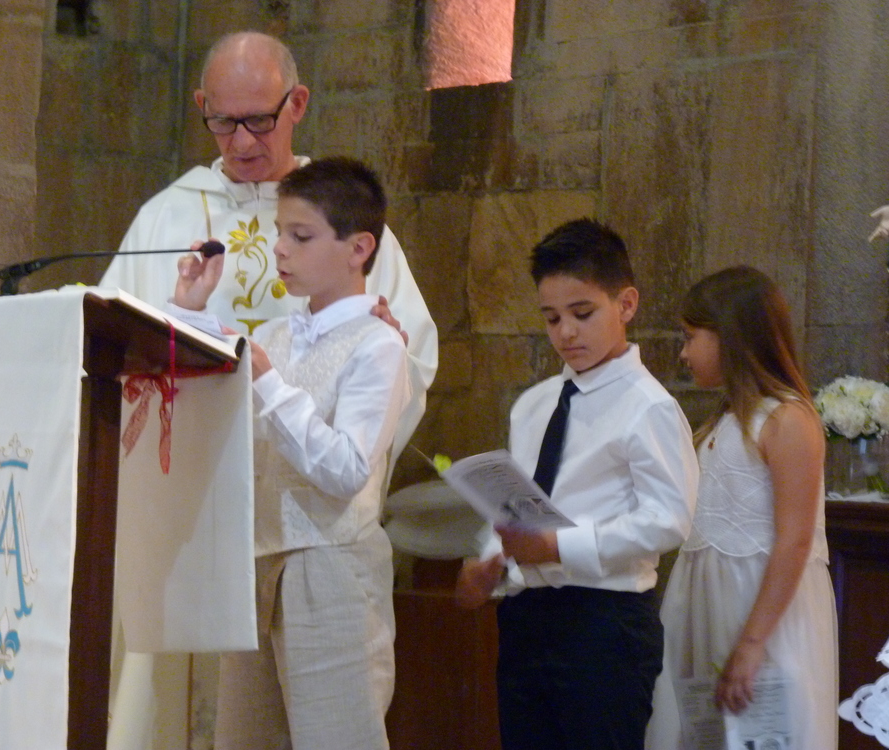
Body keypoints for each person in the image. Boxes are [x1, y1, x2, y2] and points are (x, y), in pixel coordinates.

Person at [100, 30, 436, 456]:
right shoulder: (165, 217)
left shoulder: (346, 220)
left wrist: (385, 346)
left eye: (259, 121)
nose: (241, 142)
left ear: (297, 104)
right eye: (223, 122)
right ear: (202, 106)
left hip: (311, 472)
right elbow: (112, 348)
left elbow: (412, 362)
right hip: (195, 463)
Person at [170, 156, 409, 749]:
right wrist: (188, 311)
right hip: (258, 561)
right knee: (244, 738)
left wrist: (269, 384)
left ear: (359, 248)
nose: (279, 248)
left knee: (337, 738)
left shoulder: (377, 344)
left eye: (300, 236)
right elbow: (213, 425)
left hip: (331, 568)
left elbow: (347, 469)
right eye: (280, 232)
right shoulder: (275, 336)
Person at [455, 218, 699, 749]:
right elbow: (517, 506)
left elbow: (668, 519)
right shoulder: (533, 404)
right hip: (525, 618)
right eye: (551, 318)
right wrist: (488, 564)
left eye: (582, 314)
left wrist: (559, 546)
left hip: (603, 622)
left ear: (626, 305)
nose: (566, 332)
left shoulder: (648, 406)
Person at [646, 266, 838, 749]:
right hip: (704, 606)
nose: (684, 353)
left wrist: (752, 643)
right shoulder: (722, 422)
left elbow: (795, 541)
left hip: (763, 616)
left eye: (690, 337)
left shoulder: (787, 419)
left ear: (731, 336)